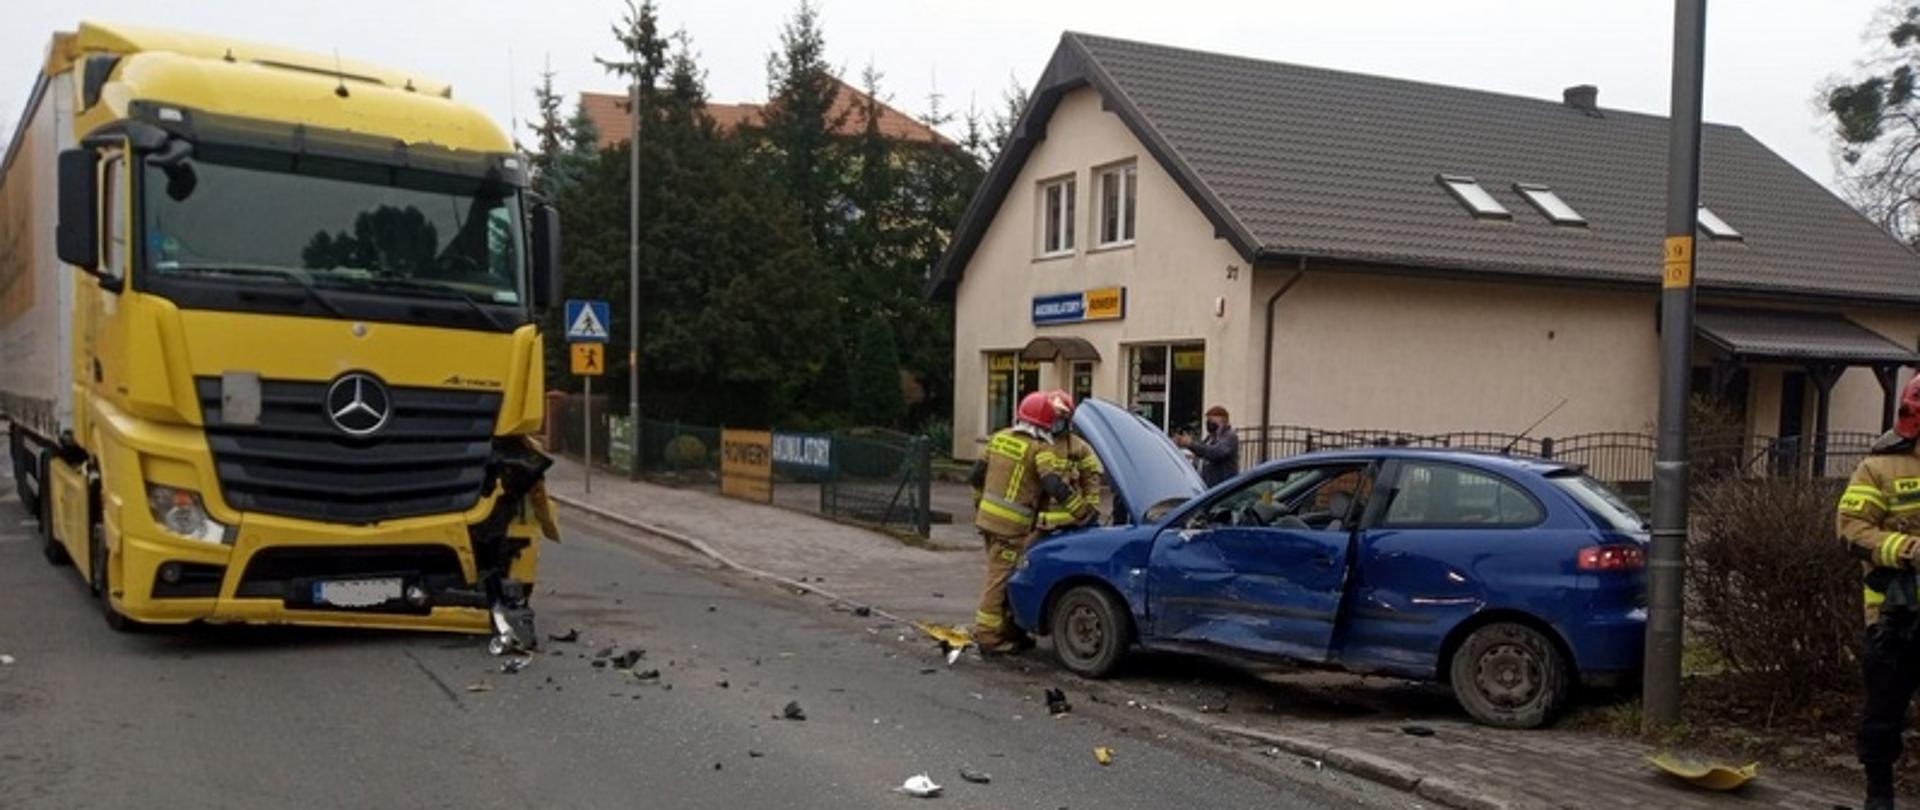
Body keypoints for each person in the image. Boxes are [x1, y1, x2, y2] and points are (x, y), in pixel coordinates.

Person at [1839, 375, 1920, 810]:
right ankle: (1879, 796)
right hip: (1895, 619)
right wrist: (1907, 550)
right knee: (1883, 718)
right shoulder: (1879, 467)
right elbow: (1851, 531)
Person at [967, 390, 1076, 653]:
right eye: (1057, 418)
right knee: (999, 581)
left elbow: (975, 477)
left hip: (988, 522)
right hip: (1012, 529)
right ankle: (989, 637)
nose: (1059, 424)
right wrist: (1081, 511)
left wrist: (980, 506)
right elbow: (1053, 485)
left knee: (1004, 576)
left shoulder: (998, 439)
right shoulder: (1040, 449)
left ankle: (1007, 630)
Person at [1036, 395, 1105, 532]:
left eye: (1060, 416)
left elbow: (1091, 480)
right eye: (1052, 415)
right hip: (1035, 523)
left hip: (1069, 523)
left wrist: (1090, 512)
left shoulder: (1079, 447)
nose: (1055, 421)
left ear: (1068, 419)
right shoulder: (1034, 442)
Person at [1178, 406, 1240, 487]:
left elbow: (1215, 452)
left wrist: (1191, 444)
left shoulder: (1229, 436)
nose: (1208, 423)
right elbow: (1202, 451)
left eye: (1211, 420)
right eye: (1208, 420)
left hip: (1221, 485)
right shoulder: (1210, 438)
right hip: (1207, 485)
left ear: (1223, 420)